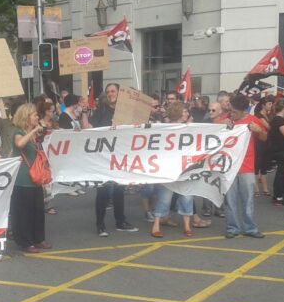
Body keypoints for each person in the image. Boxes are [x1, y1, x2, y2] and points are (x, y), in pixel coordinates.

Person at [149, 103, 210, 238]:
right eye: (184, 112)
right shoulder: (165, 129)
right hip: (170, 170)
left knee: (187, 196)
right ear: (177, 113)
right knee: (165, 198)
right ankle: (156, 224)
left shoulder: (190, 128)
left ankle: (187, 225)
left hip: (185, 169)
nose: (187, 114)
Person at [90, 83, 138, 237]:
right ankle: (100, 225)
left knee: (119, 190)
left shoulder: (126, 111)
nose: (110, 93)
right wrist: (84, 113)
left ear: (119, 93)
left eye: (113, 91)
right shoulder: (101, 111)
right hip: (103, 157)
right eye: (108, 91)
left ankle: (120, 221)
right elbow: (89, 128)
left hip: (121, 155)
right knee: (103, 191)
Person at [224, 93, 266, 238]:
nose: (232, 114)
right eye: (231, 111)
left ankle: (250, 228)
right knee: (230, 200)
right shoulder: (227, 121)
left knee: (248, 200)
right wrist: (224, 127)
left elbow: (264, 137)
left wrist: (259, 130)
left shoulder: (252, 120)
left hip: (246, 166)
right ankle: (232, 228)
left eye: (234, 112)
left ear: (243, 111)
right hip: (229, 167)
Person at [10, 103, 50, 253]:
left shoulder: (34, 135)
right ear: (26, 117)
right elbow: (20, 144)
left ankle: (38, 239)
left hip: (36, 178)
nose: (37, 117)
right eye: (34, 115)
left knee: (37, 211)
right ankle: (25, 241)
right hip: (22, 179)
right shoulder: (18, 132)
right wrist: (33, 130)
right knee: (23, 212)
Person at [252, 96, 273, 196]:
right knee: (257, 165)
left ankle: (265, 188)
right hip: (259, 142)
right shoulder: (259, 115)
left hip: (267, 142)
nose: (271, 105)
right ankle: (256, 188)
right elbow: (268, 127)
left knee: (264, 166)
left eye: (271, 104)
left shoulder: (269, 115)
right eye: (269, 104)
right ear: (263, 105)